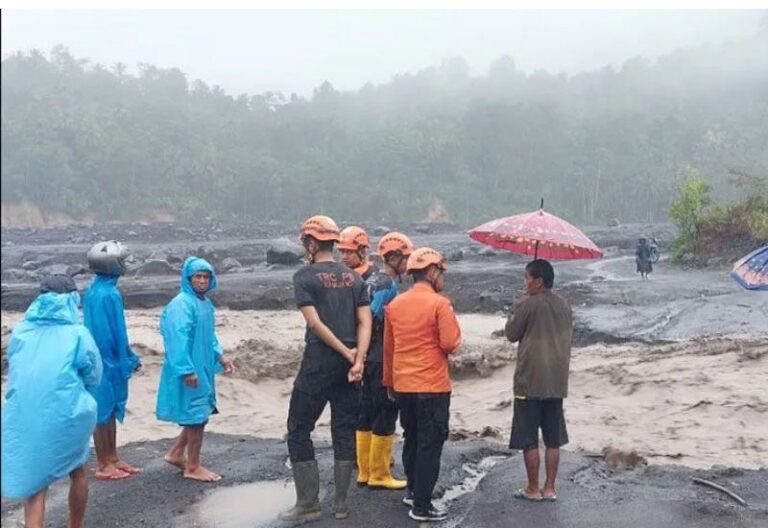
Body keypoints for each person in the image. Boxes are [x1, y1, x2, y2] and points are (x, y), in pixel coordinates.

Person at [280, 215, 372, 523]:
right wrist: (357, 359)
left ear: (309, 242)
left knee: (298, 428)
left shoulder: (304, 277)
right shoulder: (355, 278)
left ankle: (308, 503)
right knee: (344, 429)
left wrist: (345, 351)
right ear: (333, 243)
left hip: (319, 362)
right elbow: (365, 321)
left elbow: (315, 323)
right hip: (349, 367)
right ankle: (341, 504)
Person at [1, 275, 103, 528]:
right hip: (67, 412)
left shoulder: (22, 330)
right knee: (78, 470)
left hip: (24, 412)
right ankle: (75, 526)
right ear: (72, 299)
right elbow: (94, 374)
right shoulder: (77, 333)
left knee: (36, 482)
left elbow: (16, 368)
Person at [383, 247, 462, 522]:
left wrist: (389, 383)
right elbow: (450, 344)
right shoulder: (441, 304)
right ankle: (422, 506)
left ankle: (413, 491)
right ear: (431, 272)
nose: (443, 278)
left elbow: (389, 349)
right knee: (430, 444)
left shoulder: (395, 305)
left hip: (403, 384)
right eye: (441, 272)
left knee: (412, 438)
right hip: (432, 385)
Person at [338, 226, 408, 490]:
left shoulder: (368, 281)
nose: (408, 264)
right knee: (385, 412)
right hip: (379, 356)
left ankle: (365, 472)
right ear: (394, 258)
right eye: (406, 258)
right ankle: (380, 474)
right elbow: (371, 318)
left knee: (365, 412)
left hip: (364, 356)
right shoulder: (386, 284)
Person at [156, 257, 235, 482]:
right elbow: (176, 339)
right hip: (189, 367)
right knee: (196, 415)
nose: (202, 281)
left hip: (202, 365)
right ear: (188, 279)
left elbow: (209, 336)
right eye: (197, 277)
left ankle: (176, 453)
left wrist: (221, 356)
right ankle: (193, 466)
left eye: (206, 277)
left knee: (198, 412)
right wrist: (186, 370)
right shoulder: (181, 304)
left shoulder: (203, 303)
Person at [505, 259, 573, 502]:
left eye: (527, 278)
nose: (524, 283)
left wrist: (517, 308)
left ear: (538, 281)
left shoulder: (528, 304)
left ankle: (532, 488)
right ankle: (550, 488)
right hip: (556, 382)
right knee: (553, 438)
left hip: (529, 381)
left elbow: (511, 334)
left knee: (528, 437)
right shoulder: (564, 305)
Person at [83, 240, 143, 480]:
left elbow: (119, 332)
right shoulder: (102, 294)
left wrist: (127, 355)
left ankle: (113, 457)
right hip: (102, 360)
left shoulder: (106, 290)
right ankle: (103, 463)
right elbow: (103, 333)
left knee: (111, 408)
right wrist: (117, 359)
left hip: (111, 359)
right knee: (102, 411)